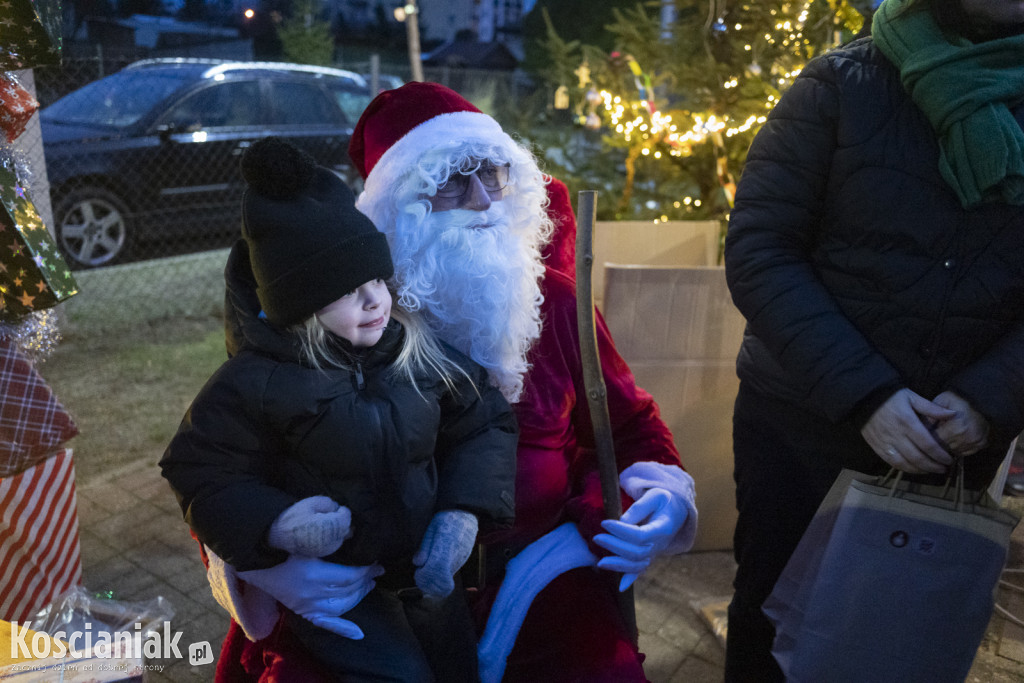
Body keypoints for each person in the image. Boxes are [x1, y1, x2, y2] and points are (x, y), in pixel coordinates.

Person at [206, 82, 700, 682]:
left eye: (492, 176)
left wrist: (656, 496)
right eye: (450, 181)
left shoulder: (557, 302)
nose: (483, 203)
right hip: (369, 591)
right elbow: (219, 462)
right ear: (395, 212)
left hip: (538, 576)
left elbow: (630, 425)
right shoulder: (338, 318)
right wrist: (265, 562)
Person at [722, 0, 1024, 679]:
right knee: (773, 630)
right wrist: (867, 395)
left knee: (905, 638)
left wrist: (986, 400)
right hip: (802, 429)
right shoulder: (839, 83)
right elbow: (760, 249)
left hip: (956, 443)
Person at [160, 137, 518, 682]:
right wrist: (274, 523)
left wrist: (461, 511)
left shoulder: (412, 351)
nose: (376, 300)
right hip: (338, 588)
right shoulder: (258, 382)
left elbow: (484, 421)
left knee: (457, 670)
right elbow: (199, 470)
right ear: (302, 306)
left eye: (377, 279)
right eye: (349, 292)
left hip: (426, 573)